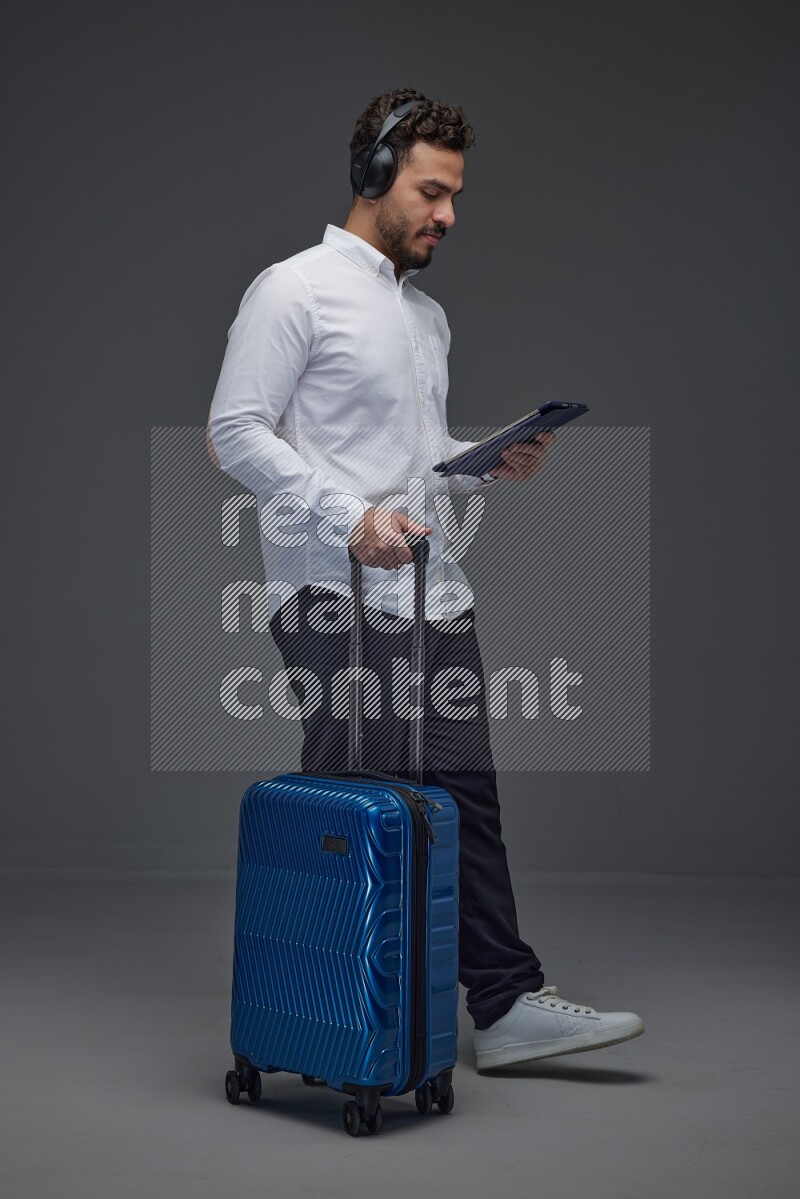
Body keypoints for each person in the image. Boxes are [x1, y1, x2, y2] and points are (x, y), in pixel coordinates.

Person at [207, 87, 644, 1070]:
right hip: (336, 594)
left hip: (432, 592)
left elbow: (402, 455)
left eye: (453, 196)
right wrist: (345, 517)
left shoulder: (425, 318)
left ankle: (503, 1003)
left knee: (462, 796)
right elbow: (234, 429)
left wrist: (481, 458)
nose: (448, 215)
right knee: (355, 799)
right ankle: (333, 1013)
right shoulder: (293, 289)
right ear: (374, 176)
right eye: (432, 192)